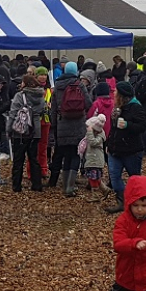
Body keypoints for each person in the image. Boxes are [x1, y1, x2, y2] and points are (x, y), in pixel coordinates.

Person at [48, 61, 92, 196]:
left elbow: (53, 110)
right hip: (78, 124)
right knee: (76, 155)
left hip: (62, 124)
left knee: (66, 155)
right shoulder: (79, 84)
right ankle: (70, 187)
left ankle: (65, 186)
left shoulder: (57, 87)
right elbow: (88, 103)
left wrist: (54, 126)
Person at [104, 82, 146, 213]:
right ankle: (122, 201)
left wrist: (128, 125)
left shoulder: (136, 108)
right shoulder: (116, 108)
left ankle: (139, 201)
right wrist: (109, 144)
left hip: (131, 150)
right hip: (115, 149)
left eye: (116, 91)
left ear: (122, 95)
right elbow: (113, 129)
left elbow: (142, 127)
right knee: (115, 177)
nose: (114, 93)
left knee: (135, 178)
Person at [7, 75, 45, 192]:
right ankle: (37, 184)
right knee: (33, 158)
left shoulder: (20, 96)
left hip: (21, 130)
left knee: (19, 159)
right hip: (35, 130)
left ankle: (17, 185)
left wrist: (9, 129)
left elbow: (13, 113)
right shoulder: (40, 95)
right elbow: (41, 111)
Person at [34, 66, 52, 177]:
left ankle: (43, 169)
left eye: (45, 75)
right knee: (34, 147)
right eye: (41, 74)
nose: (43, 77)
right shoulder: (33, 89)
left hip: (46, 121)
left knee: (44, 146)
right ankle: (34, 170)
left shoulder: (49, 90)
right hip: (35, 121)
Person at [83, 114, 108, 195]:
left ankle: (95, 195)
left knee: (93, 178)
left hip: (96, 160)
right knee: (94, 177)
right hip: (91, 159)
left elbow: (93, 142)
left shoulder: (100, 135)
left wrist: (89, 132)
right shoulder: (93, 134)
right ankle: (105, 189)